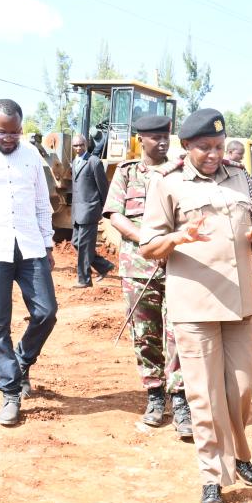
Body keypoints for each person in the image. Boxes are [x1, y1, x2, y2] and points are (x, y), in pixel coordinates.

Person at [139, 108, 252, 503]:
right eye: (205, 148)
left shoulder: (239, 177)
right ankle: (211, 477)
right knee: (204, 395)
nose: (214, 154)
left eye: (219, 146)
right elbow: (148, 245)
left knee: (241, 387)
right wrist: (179, 237)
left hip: (239, 304)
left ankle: (237, 455)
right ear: (187, 147)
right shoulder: (168, 183)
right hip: (195, 305)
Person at [102, 115, 192, 439]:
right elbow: (115, 215)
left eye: (166, 135)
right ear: (141, 139)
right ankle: (155, 395)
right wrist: (149, 240)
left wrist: (171, 242)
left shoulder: (182, 173)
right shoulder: (127, 173)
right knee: (146, 334)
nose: (163, 142)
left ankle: (180, 399)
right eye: (155, 137)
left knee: (180, 333)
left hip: (179, 267)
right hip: (139, 269)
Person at [0, 99, 58, 425]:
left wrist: (48, 244)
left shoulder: (31, 155)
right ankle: (10, 392)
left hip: (30, 247)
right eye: (2, 132)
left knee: (47, 312)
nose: (9, 138)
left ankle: (22, 360)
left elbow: (41, 203)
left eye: (15, 132)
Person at [71, 134, 114, 288]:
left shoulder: (94, 162)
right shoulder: (75, 161)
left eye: (80, 145)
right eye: (75, 146)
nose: (78, 148)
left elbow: (103, 187)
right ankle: (104, 266)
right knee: (76, 243)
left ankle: (84, 280)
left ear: (86, 144)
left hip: (90, 210)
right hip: (77, 211)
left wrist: (104, 208)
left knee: (83, 246)